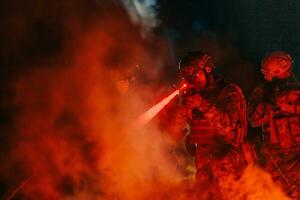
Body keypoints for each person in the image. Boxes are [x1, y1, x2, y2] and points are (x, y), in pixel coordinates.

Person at [171, 51, 248, 199]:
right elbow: (174, 133)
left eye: (194, 76)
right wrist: (183, 110)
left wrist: (202, 104)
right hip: (203, 162)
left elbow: (228, 127)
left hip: (228, 161)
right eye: (187, 78)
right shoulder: (192, 96)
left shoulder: (229, 92)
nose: (191, 82)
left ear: (207, 70)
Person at [248, 51, 300, 199]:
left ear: (281, 67)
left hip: (296, 157)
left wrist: (290, 103)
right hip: (274, 160)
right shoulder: (263, 91)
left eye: (268, 69)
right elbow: (254, 120)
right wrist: (273, 103)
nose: (265, 73)